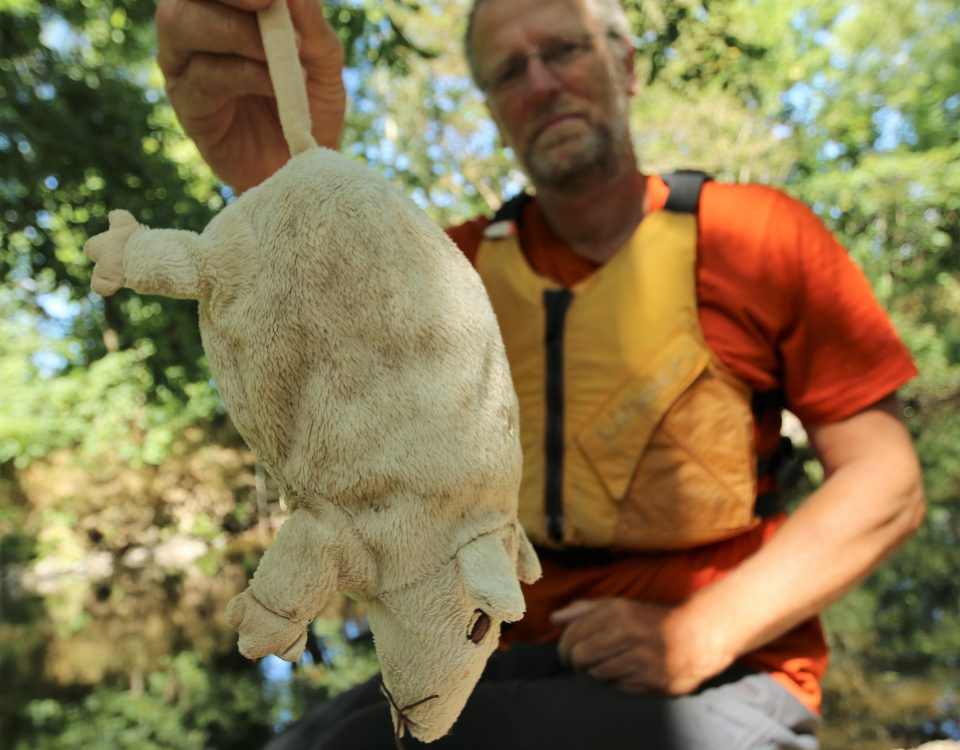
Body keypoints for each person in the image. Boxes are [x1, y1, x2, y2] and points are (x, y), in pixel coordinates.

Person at [155, 0, 925, 747]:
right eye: (509, 72)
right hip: (504, 654)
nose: (542, 83)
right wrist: (278, 177)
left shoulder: (760, 237)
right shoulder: (442, 270)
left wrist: (700, 633)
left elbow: (886, 484)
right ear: (493, 109)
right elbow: (317, 361)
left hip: (727, 675)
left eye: (563, 50)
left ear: (624, 65)